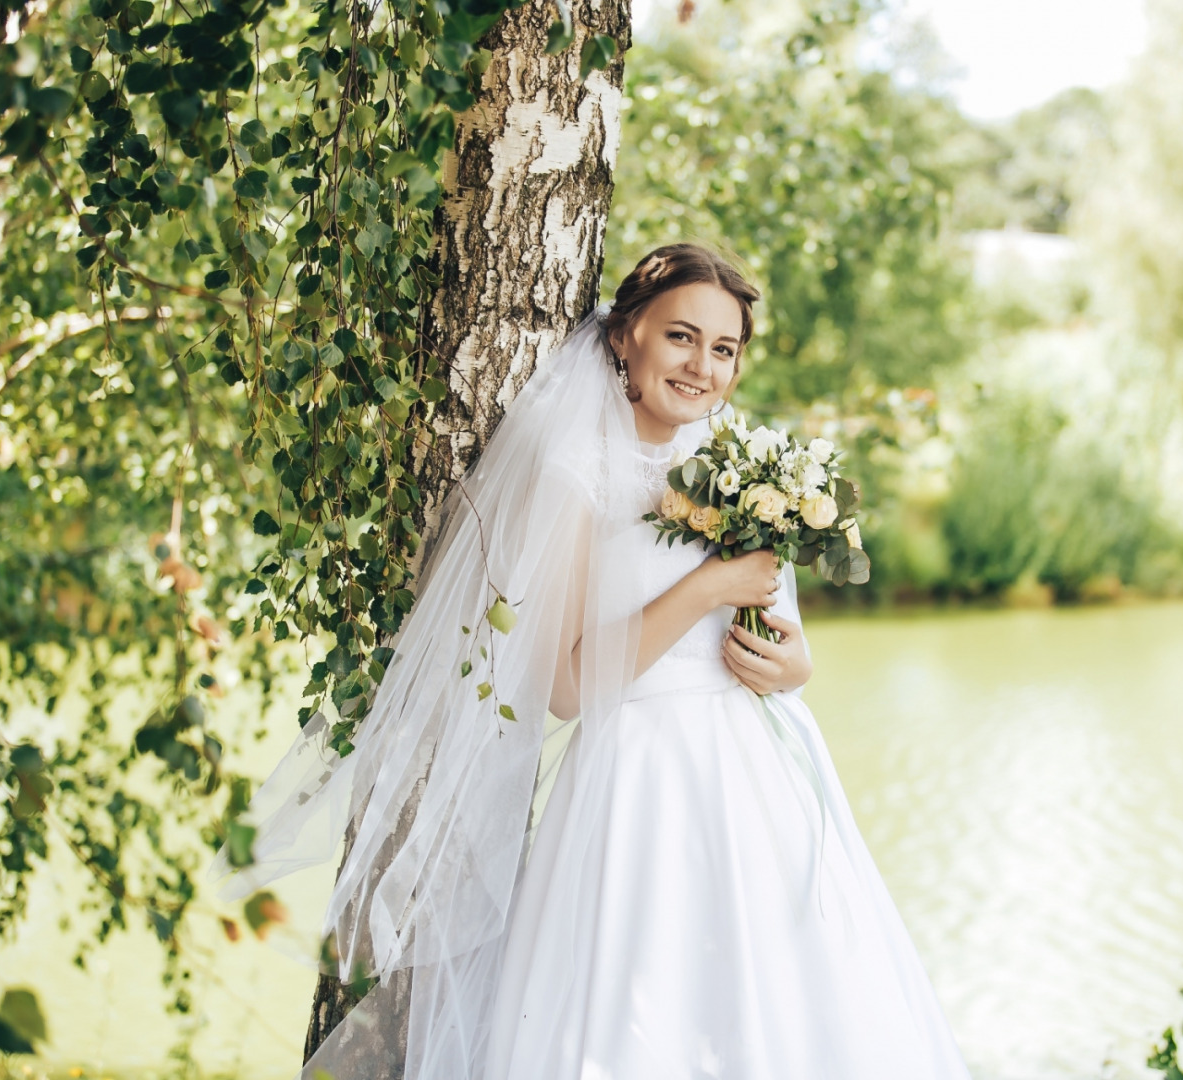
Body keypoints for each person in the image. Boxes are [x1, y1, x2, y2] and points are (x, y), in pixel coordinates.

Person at [212, 243, 971, 1079]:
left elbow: (783, 640)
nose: (702, 366)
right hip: (640, 780)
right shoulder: (576, 474)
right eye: (681, 337)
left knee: (788, 1008)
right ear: (623, 336)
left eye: (724, 350)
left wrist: (792, 665)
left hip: (764, 775)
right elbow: (568, 688)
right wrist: (708, 585)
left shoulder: (743, 467)